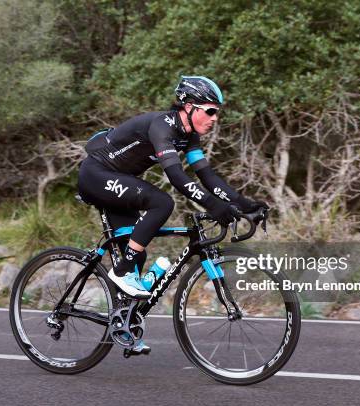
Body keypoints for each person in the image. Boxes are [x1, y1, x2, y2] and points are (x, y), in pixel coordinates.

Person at [78, 76, 267, 298]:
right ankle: (121, 271)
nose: (215, 118)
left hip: (117, 180)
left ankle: (122, 324)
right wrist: (212, 205)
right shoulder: (162, 126)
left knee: (137, 249)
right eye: (210, 111)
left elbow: (207, 177)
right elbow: (177, 177)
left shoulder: (189, 137)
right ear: (189, 107)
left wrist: (245, 205)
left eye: (217, 112)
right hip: (96, 175)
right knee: (162, 203)